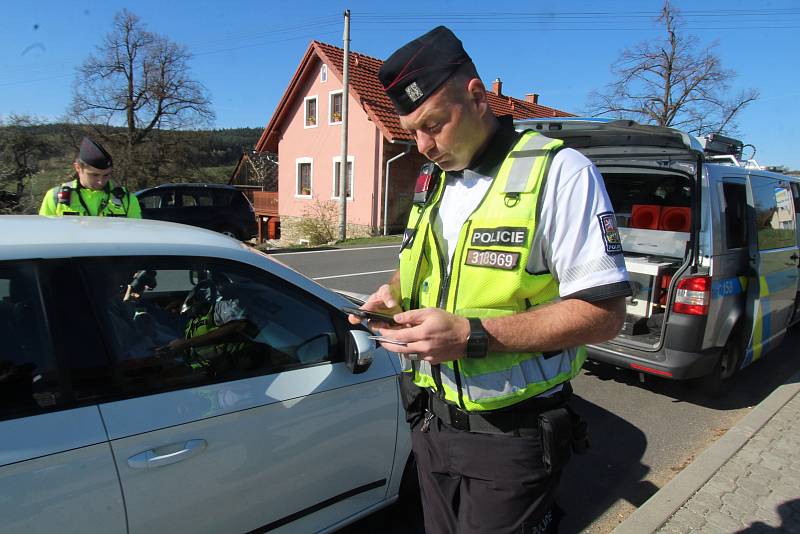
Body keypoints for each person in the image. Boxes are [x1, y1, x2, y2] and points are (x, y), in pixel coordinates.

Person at [349, 26, 631, 533]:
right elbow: (420, 264)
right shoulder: (434, 181)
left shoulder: (560, 172)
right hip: (430, 421)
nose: (423, 145)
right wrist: (393, 295)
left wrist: (472, 336)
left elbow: (604, 313)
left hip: (511, 438)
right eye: (412, 130)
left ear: (478, 96)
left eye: (434, 124)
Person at [39, 137, 141, 218]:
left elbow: (136, 237)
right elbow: (45, 235)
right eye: (94, 175)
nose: (101, 181)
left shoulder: (127, 199)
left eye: (106, 175)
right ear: (78, 168)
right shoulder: (55, 197)